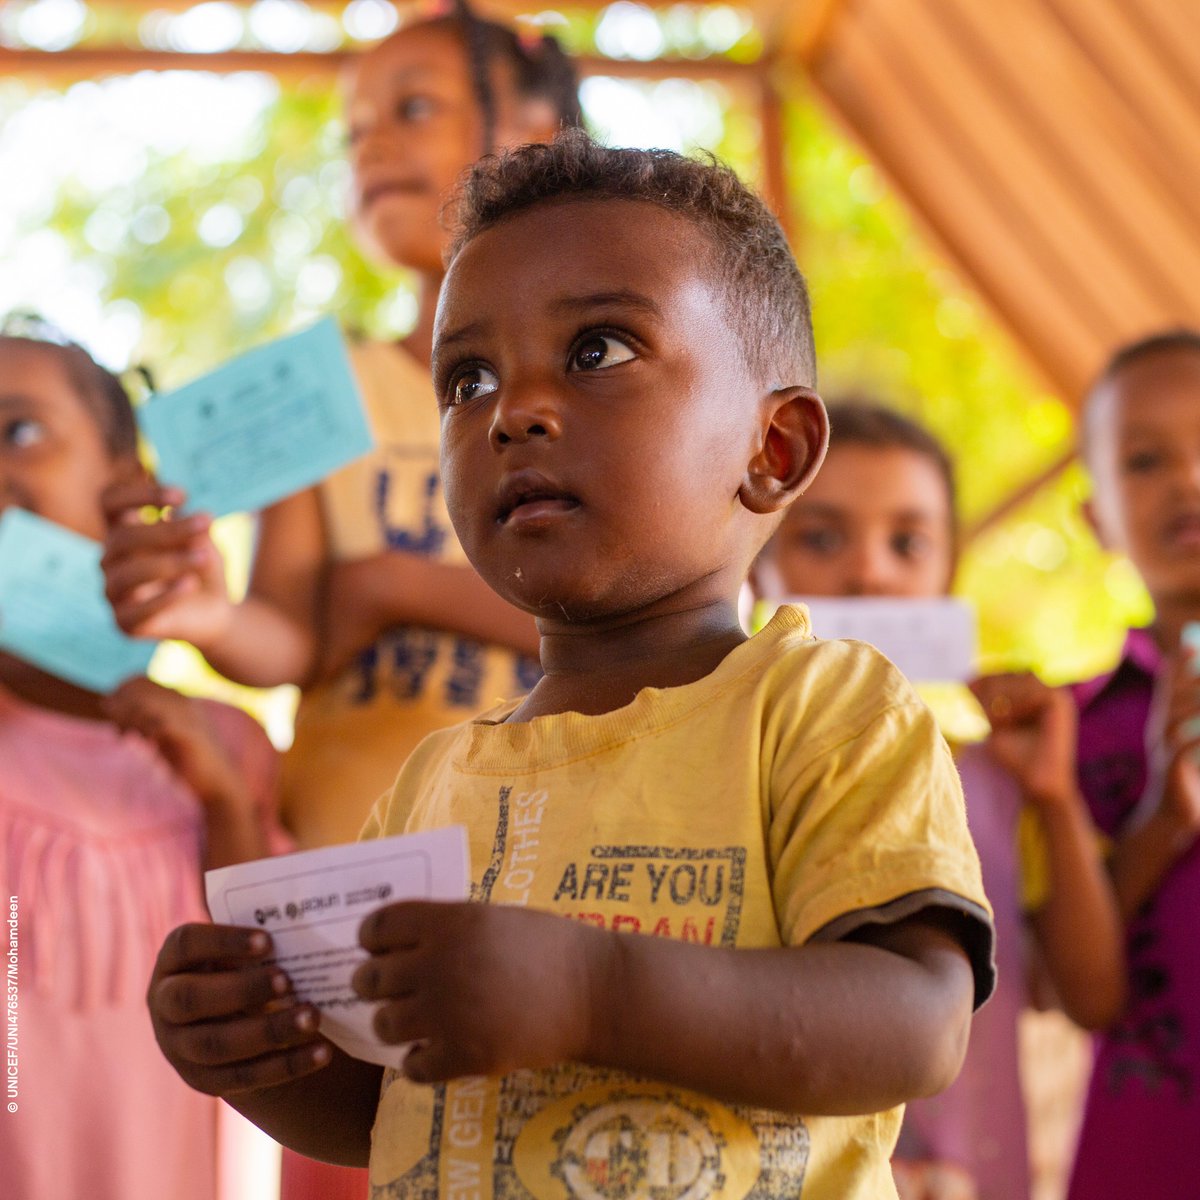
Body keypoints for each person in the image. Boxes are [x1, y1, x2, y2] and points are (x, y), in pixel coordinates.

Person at [144, 131, 997, 1200]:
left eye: (598, 350)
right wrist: (257, 1055)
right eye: (468, 378)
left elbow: (915, 1024)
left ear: (772, 451)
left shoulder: (824, 708)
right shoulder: (432, 778)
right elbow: (384, 1106)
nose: (514, 411)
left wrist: (594, 994)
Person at [100, 0, 582, 850]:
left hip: (557, 852)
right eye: (352, 132)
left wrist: (391, 587)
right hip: (345, 858)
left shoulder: (612, 388)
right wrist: (207, 615)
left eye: (414, 108)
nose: (372, 145)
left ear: (536, 133)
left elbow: (645, 616)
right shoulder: (324, 386)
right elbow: (291, 642)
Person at [752, 402, 1125, 1200]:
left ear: (947, 578)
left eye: (907, 544)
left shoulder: (999, 784)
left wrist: (1053, 800)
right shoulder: (719, 770)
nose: (869, 574)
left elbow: (1090, 996)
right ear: (756, 563)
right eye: (821, 538)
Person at [0, 319, 281, 1200]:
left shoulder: (229, 748)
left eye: (19, 432)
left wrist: (226, 804)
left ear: (127, 487)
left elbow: (275, 994)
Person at [1065, 329, 1200, 1199]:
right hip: (1148, 1154)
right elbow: (1084, 996)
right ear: (1096, 519)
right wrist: (1163, 819)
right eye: (1145, 460)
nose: (1188, 479)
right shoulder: (1066, 734)